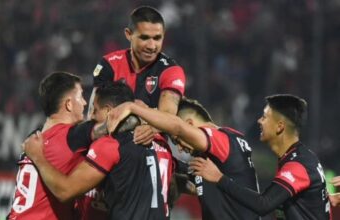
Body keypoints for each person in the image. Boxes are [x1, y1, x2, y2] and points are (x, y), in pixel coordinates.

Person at [23, 82, 167, 220]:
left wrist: (38, 157)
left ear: (109, 110)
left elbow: (65, 191)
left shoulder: (110, 145)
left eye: (95, 109)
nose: (91, 116)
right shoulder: (152, 141)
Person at [107, 97, 260, 219]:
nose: (180, 148)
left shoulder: (220, 139)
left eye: (177, 140)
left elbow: (178, 127)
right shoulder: (214, 155)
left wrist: (133, 108)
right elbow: (202, 186)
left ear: (190, 124)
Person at [189, 94, 332, 219]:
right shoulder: (299, 157)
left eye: (264, 117)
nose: (259, 121)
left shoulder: (298, 164)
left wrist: (219, 178)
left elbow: (264, 204)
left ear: (280, 126)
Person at [88, 5, 186, 144]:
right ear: (129, 34)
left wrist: (152, 128)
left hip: (152, 151)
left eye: (157, 38)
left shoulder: (171, 71)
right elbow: (95, 115)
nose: (151, 46)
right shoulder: (109, 64)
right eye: (144, 38)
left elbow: (168, 117)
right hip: (110, 145)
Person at [8, 72, 87, 219]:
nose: (85, 103)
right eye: (81, 96)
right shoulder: (74, 136)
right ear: (69, 104)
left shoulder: (33, 137)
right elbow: (110, 125)